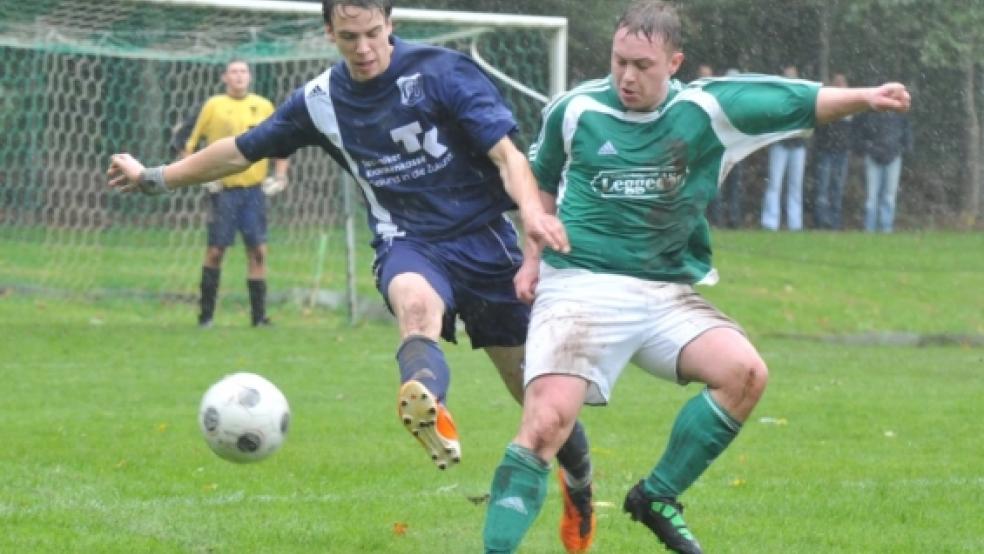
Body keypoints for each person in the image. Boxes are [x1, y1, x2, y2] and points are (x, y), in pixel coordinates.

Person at [108, 2, 597, 551]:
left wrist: (531, 213)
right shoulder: (320, 100)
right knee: (416, 308)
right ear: (329, 34)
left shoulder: (442, 72)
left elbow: (508, 156)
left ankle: (578, 481)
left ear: (390, 23)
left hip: (484, 242)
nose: (362, 48)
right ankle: (426, 400)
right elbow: (240, 152)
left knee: (533, 394)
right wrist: (155, 176)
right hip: (407, 241)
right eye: (348, 37)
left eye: (371, 34)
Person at [481, 2, 911, 553]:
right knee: (544, 426)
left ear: (675, 63)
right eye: (619, 62)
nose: (627, 77)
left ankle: (656, 496)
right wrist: (532, 258)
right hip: (581, 286)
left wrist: (865, 98)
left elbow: (791, 100)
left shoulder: (707, 110)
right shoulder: (575, 109)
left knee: (745, 373)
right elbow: (539, 181)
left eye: (643, 65)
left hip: (665, 293)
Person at [182, 59, 289, 327]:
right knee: (216, 251)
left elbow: (281, 142)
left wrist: (280, 175)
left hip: (254, 192)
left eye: (243, 71)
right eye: (234, 72)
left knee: (258, 252)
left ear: (250, 77)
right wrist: (198, 176)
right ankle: (205, 317)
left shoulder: (264, 105)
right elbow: (190, 144)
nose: (239, 76)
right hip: (223, 191)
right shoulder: (213, 105)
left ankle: (259, 318)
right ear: (224, 78)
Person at [761, 64, 808, 231]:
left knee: (795, 186)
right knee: (774, 183)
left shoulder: (803, 97)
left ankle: (795, 223)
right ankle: (770, 222)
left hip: (798, 146)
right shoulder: (778, 98)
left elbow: (808, 125)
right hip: (779, 144)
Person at [854, 109, 912, 232]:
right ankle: (870, 229)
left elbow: (906, 134)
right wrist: (870, 148)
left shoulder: (899, 113)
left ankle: (886, 229)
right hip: (874, 157)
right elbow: (861, 135)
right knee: (872, 197)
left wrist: (900, 149)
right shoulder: (870, 113)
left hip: (893, 156)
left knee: (888, 197)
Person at [812, 73, 853, 229]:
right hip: (826, 152)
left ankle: (835, 223)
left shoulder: (850, 108)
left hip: (841, 153)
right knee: (823, 189)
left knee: (837, 189)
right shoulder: (826, 104)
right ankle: (821, 223)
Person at [706, 67, 744, 228]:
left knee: (734, 187)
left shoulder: (742, 104)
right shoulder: (718, 101)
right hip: (720, 150)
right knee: (718, 186)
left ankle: (733, 219)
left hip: (736, 150)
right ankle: (716, 218)